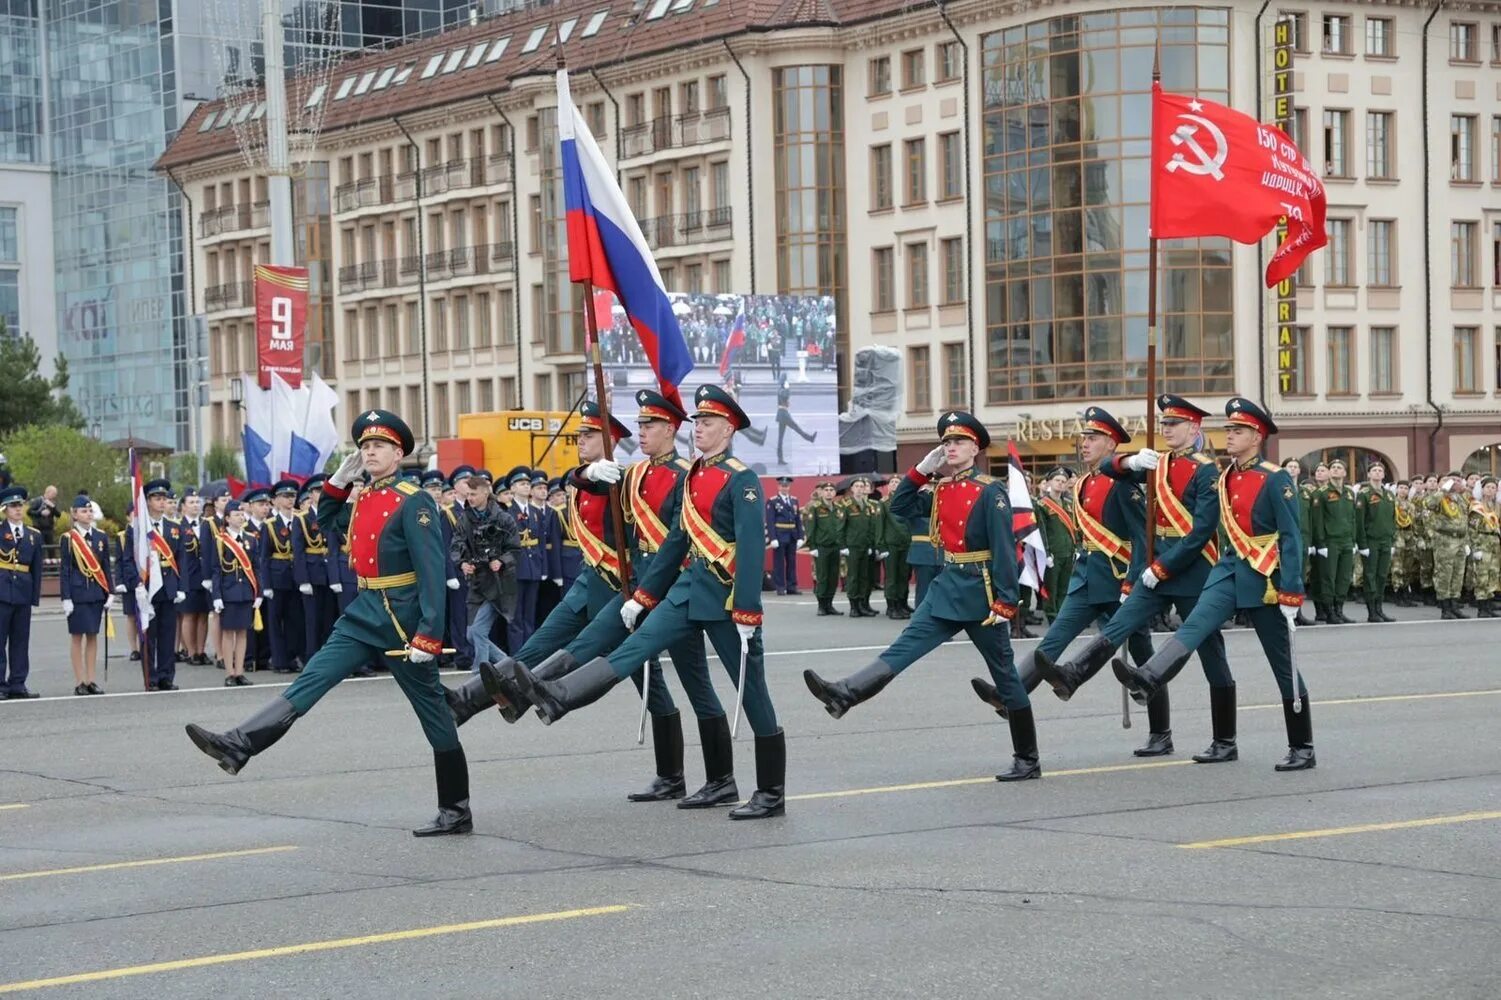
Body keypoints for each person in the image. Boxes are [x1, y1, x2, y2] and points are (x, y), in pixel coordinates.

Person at [186, 409, 476, 837]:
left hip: (401, 616)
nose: (369, 452)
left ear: (399, 453)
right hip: (365, 610)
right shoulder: (368, 496)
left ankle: (455, 808)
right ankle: (241, 743)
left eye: (378, 446)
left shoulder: (413, 500)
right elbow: (328, 522)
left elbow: (432, 571)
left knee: (433, 712)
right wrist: (338, 485)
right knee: (313, 677)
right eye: (363, 447)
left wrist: (429, 635)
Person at [508, 384, 786, 820]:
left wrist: (748, 609)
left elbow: (751, 550)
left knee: (750, 690)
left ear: (729, 429)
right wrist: (643, 596)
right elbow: (676, 541)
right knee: (632, 649)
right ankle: (560, 695)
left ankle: (770, 790)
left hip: (727, 599)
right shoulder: (693, 475)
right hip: (686, 588)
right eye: (697, 422)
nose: (699, 429)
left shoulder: (741, 480)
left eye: (708, 423)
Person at [475, 392, 722, 803]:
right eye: (639, 426)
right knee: (648, 680)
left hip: (674, 593)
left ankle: (719, 778)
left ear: (670, 429)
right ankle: (671, 775)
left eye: (649, 426)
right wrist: (584, 475)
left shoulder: (683, 474)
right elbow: (581, 482)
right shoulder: (635, 474)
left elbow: (680, 538)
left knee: (694, 682)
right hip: (637, 589)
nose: (642, 433)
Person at [804, 411, 1040, 781]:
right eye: (946, 442)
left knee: (1006, 676)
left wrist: (1007, 601)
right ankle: (845, 694)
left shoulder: (989, 490)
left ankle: (1027, 758)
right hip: (948, 586)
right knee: (903, 648)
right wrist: (920, 472)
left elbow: (1004, 549)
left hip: (981, 593)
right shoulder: (942, 488)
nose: (950, 448)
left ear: (975, 447)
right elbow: (897, 507)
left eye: (958, 442)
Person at [1115, 398, 1312, 770]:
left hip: (1264, 576)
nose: (1229, 436)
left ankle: (1302, 745)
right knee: (1195, 625)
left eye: (1237, 431)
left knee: (1282, 663)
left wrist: (1291, 590)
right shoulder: (1224, 477)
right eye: (1229, 429)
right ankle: (1154, 679)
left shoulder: (1275, 478)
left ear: (1256, 436)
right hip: (1228, 569)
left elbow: (1291, 537)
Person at [1035, 396, 1229, 759]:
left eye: (1175, 424)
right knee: (1120, 623)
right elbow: (1109, 468)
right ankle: (1074, 673)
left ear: (1194, 428)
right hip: (1157, 569)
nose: (1167, 429)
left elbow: (1201, 530)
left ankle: (1224, 740)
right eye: (1165, 424)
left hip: (1192, 568)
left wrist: (1160, 566)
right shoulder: (1156, 463)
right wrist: (1131, 460)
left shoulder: (1206, 470)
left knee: (1211, 653)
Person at [972, 407, 1154, 723]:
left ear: (1111, 445)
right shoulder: (1082, 482)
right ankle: (1009, 693)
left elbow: (1143, 538)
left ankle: (1160, 731)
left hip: (1118, 578)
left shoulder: (1122, 485)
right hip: (1086, 578)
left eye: (1093, 437)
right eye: (1084, 436)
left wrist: (1133, 581)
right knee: (1052, 640)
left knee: (1142, 660)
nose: (1084, 443)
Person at [120, 480, 188, 691]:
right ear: (147, 501)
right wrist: (136, 584)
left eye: (164, 499)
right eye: (157, 499)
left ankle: (167, 676)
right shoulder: (138, 529)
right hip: (147, 588)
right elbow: (128, 560)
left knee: (168, 635)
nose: (162, 502)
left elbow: (181, 559)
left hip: (168, 587)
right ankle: (151, 677)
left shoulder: (174, 528)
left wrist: (181, 587)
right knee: (149, 636)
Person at [455, 469, 520, 665]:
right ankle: (509, 665)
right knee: (470, 635)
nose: (470, 498)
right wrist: (462, 563)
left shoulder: (503, 518)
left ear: (485, 493)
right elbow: (456, 544)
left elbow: (515, 549)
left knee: (478, 632)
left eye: (473, 494)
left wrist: (500, 561)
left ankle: (479, 674)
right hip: (476, 582)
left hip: (498, 583)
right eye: (468, 495)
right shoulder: (465, 518)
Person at [59, 494, 115, 695]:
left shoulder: (100, 537)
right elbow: (65, 569)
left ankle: (91, 680)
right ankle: (79, 681)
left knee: (93, 636)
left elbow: (106, 566)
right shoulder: (68, 538)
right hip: (77, 592)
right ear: (74, 514)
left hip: (96, 592)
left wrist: (110, 591)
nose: (88, 514)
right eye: (83, 511)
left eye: (90, 510)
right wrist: (66, 597)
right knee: (77, 637)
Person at [210, 499, 264, 686]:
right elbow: (216, 570)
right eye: (236, 515)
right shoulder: (220, 541)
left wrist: (259, 593)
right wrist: (216, 596)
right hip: (228, 592)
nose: (240, 518)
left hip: (246, 592)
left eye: (242, 514)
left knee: (242, 633)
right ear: (227, 518)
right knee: (228, 633)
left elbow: (257, 568)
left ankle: (240, 671)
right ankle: (229, 673)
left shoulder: (250, 539)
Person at [0, 486, 44, 698]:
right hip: (1, 592)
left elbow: (37, 568)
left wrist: (34, 597)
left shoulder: (33, 535)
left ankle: (18, 683)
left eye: (20, 505)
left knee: (20, 640)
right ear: (4, 509)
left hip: (23, 593)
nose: (18, 509)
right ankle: (0, 685)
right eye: (13, 506)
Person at [293, 475, 339, 654]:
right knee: (312, 620)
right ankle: (311, 657)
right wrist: (303, 579)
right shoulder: (302, 518)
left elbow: (334, 547)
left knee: (329, 619)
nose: (321, 494)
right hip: (311, 574)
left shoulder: (331, 514)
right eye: (318, 491)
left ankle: (327, 658)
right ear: (310, 494)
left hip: (330, 573)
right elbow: (298, 551)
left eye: (324, 490)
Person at [263, 479, 306, 672]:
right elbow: (264, 557)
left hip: (295, 577)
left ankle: (292, 657)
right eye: (285, 497)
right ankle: (279, 660)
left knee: (294, 620)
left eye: (292, 496)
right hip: (277, 576)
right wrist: (266, 585)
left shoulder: (300, 519)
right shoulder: (270, 524)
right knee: (275, 620)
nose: (290, 500)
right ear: (276, 500)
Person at [1310, 459, 1357, 624]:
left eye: (1340, 468)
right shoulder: (1321, 493)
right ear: (1329, 473)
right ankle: (1329, 611)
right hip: (1330, 541)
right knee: (1328, 577)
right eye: (1333, 468)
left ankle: (1339, 609)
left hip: (1346, 541)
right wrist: (1320, 543)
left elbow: (1353, 518)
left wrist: (1354, 540)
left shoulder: (1350, 493)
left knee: (1344, 577)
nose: (1336, 470)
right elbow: (1318, 520)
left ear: (1345, 473)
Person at [1354, 462, 1397, 622]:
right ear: (1369, 475)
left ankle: (1379, 608)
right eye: (1374, 470)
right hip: (1371, 541)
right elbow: (1359, 521)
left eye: (1380, 471)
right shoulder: (1364, 494)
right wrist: (1362, 544)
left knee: (1382, 575)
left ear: (1384, 475)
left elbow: (1393, 519)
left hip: (1386, 541)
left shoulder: (1389, 495)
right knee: (1370, 575)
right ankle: (1371, 611)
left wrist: (1392, 540)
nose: (1378, 473)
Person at [1034, 467, 1078, 623]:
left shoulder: (1068, 503)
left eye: (1063, 481)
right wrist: (1046, 553)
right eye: (1057, 480)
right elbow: (1042, 530)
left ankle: (1061, 615)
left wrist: (1077, 547)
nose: (1060, 484)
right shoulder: (1042, 504)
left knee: (1064, 587)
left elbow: (1075, 527)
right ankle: (1052, 616)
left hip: (1068, 551)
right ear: (1050, 482)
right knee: (1051, 588)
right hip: (1053, 553)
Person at [175, 489, 212, 665]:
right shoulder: (178, 526)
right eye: (191, 502)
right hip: (187, 576)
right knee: (188, 615)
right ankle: (190, 652)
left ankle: (201, 650)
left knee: (203, 615)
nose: (196, 505)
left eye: (198, 502)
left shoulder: (206, 524)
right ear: (183, 506)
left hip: (204, 576)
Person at [1428, 473, 1471, 619]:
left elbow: (1465, 520)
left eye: (1459, 480)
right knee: (1444, 574)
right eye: (1453, 480)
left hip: (1460, 540)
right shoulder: (1441, 497)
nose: (1456, 483)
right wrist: (1443, 491)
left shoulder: (1460, 499)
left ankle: (1454, 604)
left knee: (1458, 574)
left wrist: (1466, 542)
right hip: (1445, 540)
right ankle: (1445, 608)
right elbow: (1429, 504)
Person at [840, 475, 882, 617]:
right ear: (851, 489)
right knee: (853, 577)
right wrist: (843, 546)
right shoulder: (846, 506)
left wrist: (871, 545)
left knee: (864, 577)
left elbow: (871, 528)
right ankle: (853, 606)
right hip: (852, 546)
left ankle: (862, 605)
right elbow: (840, 528)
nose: (859, 489)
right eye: (856, 486)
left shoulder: (868, 507)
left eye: (862, 486)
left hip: (865, 546)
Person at [802, 480, 845, 615]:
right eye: (826, 490)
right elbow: (810, 528)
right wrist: (812, 546)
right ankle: (821, 605)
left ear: (835, 493)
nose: (829, 493)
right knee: (822, 576)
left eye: (831, 490)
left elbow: (841, 528)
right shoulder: (815, 508)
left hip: (835, 547)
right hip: (821, 547)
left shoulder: (838, 508)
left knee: (833, 577)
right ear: (821, 492)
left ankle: (829, 604)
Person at [879, 475, 914, 619]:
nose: (894, 484)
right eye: (892, 482)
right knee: (892, 577)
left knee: (904, 575)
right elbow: (879, 525)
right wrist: (881, 546)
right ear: (888, 486)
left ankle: (902, 603)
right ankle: (891, 606)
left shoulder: (907, 501)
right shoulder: (884, 503)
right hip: (891, 544)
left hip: (906, 543)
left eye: (897, 482)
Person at [766, 475, 803, 595]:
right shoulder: (772, 501)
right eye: (782, 485)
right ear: (778, 486)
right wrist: (772, 538)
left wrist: (800, 537)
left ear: (789, 487)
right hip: (779, 534)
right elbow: (770, 521)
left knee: (792, 562)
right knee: (779, 563)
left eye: (786, 486)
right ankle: (780, 586)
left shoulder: (794, 500)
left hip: (792, 535)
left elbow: (798, 520)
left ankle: (792, 586)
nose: (784, 488)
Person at [1470, 477, 1500, 617]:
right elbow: (1472, 529)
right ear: (1482, 489)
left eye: (1493, 487)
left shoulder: (1494, 506)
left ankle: (1488, 605)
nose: (1491, 490)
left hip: (1494, 543)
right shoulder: (1477, 506)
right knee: (1482, 576)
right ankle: (1482, 607)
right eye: (1488, 487)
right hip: (1482, 541)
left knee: (1493, 575)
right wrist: (1475, 548)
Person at [774, 376, 818, 465]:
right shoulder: (782, 390)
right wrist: (788, 388)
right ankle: (810, 438)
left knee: (781, 438)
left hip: (782, 413)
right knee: (796, 428)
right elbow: (785, 396)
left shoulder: (780, 389)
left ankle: (780, 459)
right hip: (784, 414)